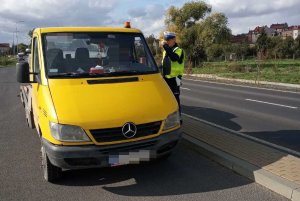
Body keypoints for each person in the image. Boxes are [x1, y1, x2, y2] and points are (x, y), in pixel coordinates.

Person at [161, 31, 184, 114]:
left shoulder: (179, 50)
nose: (167, 41)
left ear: (174, 39)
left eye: (168, 39)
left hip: (176, 78)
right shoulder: (165, 51)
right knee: (165, 98)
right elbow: (164, 64)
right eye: (165, 39)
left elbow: (174, 58)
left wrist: (166, 47)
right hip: (166, 78)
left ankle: (178, 116)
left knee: (175, 97)